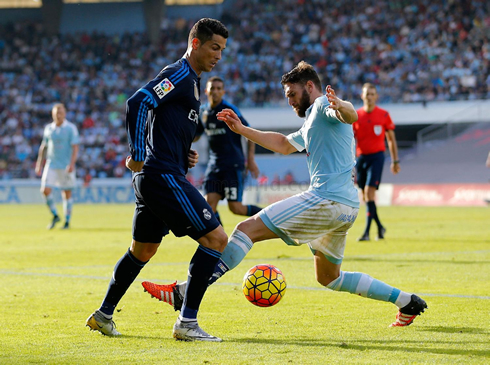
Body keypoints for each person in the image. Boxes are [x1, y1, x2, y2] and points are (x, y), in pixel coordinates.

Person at [141, 61, 427, 330]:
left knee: (244, 229)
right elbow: (284, 144)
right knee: (329, 277)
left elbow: (347, 113)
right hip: (346, 208)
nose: (289, 101)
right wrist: (241, 129)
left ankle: (185, 292)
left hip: (325, 200)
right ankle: (406, 301)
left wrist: (341, 105)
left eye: (292, 94)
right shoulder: (313, 119)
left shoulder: (323, 106)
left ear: (310, 86)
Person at [86, 18, 229, 342]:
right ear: (195, 44)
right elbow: (139, 101)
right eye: (214, 47)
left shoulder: (192, 83)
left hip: (160, 173)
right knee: (216, 239)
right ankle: (187, 323)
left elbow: (165, 125)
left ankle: (104, 315)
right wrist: (137, 152)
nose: (219, 55)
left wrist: (184, 154)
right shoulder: (179, 74)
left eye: (222, 49)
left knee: (143, 250)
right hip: (160, 175)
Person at [195, 76, 261, 226]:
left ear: (223, 92)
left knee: (236, 208)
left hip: (233, 166)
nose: (215, 92)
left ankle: (271, 216)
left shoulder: (229, 111)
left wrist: (250, 160)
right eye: (212, 88)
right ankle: (220, 242)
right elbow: (196, 136)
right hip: (214, 166)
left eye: (219, 89)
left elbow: (249, 133)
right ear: (206, 91)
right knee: (208, 206)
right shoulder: (203, 112)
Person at [353, 83, 400, 241]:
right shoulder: (356, 116)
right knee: (366, 197)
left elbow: (391, 140)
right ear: (362, 96)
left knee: (369, 193)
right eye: (367, 94)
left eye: (372, 94)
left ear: (376, 96)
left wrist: (395, 160)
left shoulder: (384, 115)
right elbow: (350, 140)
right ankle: (380, 227)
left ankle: (366, 233)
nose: (370, 97)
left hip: (377, 157)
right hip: (361, 159)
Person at [35, 103, 79, 230]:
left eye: (60, 113)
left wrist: (71, 164)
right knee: (45, 190)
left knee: (66, 193)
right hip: (51, 164)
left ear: (64, 114)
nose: (58, 116)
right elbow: (44, 147)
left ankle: (67, 221)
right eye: (56, 114)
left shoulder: (71, 128)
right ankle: (55, 215)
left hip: (65, 166)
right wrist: (39, 164)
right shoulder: (49, 128)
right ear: (52, 115)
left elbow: (75, 148)